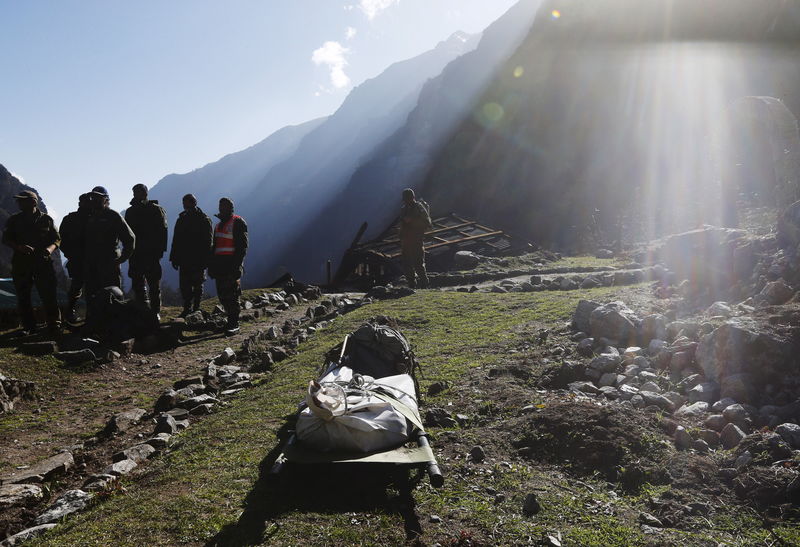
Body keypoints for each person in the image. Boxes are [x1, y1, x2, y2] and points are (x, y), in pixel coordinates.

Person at [1, 190, 62, 334]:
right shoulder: (14, 220)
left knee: (49, 294)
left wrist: (50, 249)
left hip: (43, 262)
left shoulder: (46, 219)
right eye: (19, 200)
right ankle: (29, 326)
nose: (19, 203)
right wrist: (18, 247)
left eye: (23, 200)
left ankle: (54, 324)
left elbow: (57, 239)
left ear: (33, 202)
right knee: (23, 296)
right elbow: (6, 239)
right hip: (21, 263)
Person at [83, 186, 136, 305]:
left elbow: (130, 239)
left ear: (106, 199)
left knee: (113, 294)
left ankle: (115, 321)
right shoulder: (88, 216)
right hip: (91, 263)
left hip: (109, 263)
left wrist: (121, 259)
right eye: (93, 197)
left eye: (98, 197)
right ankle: (93, 320)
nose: (94, 199)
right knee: (92, 293)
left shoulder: (113, 216)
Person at [124, 183, 167, 317]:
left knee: (154, 284)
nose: (136, 194)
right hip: (135, 254)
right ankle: (143, 309)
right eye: (134, 192)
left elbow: (163, 231)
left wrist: (160, 251)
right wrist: (128, 251)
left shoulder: (156, 209)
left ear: (145, 193)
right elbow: (126, 234)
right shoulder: (130, 211)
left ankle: (155, 311)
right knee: (137, 283)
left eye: (139, 192)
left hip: (151, 253)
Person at [208, 197, 248, 335]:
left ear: (231, 208)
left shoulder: (237, 222)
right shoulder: (218, 225)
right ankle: (229, 321)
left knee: (232, 295)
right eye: (221, 206)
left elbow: (242, 247)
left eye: (225, 206)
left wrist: (237, 267)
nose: (222, 209)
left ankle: (234, 323)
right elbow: (215, 247)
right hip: (219, 266)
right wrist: (211, 266)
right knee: (223, 296)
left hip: (231, 265)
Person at [169, 194, 213, 317]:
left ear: (194, 202)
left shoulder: (203, 219)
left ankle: (196, 307)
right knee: (185, 285)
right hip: (184, 259)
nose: (185, 205)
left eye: (187, 202)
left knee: (198, 284)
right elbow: (176, 240)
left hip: (198, 259)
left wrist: (206, 259)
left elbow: (208, 241)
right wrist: (174, 257)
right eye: (184, 202)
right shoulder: (181, 219)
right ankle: (187, 307)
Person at [59, 193, 91, 324]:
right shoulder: (70, 219)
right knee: (76, 288)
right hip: (78, 259)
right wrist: (70, 254)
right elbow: (61, 239)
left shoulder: (96, 217)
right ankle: (70, 313)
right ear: (80, 203)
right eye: (86, 202)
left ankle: (91, 314)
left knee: (92, 288)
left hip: (93, 258)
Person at [398, 188, 432, 289]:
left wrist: (412, 220)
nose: (406, 201)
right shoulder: (404, 209)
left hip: (416, 238)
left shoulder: (419, 207)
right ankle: (412, 284)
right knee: (406, 263)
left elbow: (427, 222)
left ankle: (425, 284)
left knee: (418, 263)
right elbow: (402, 223)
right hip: (406, 239)